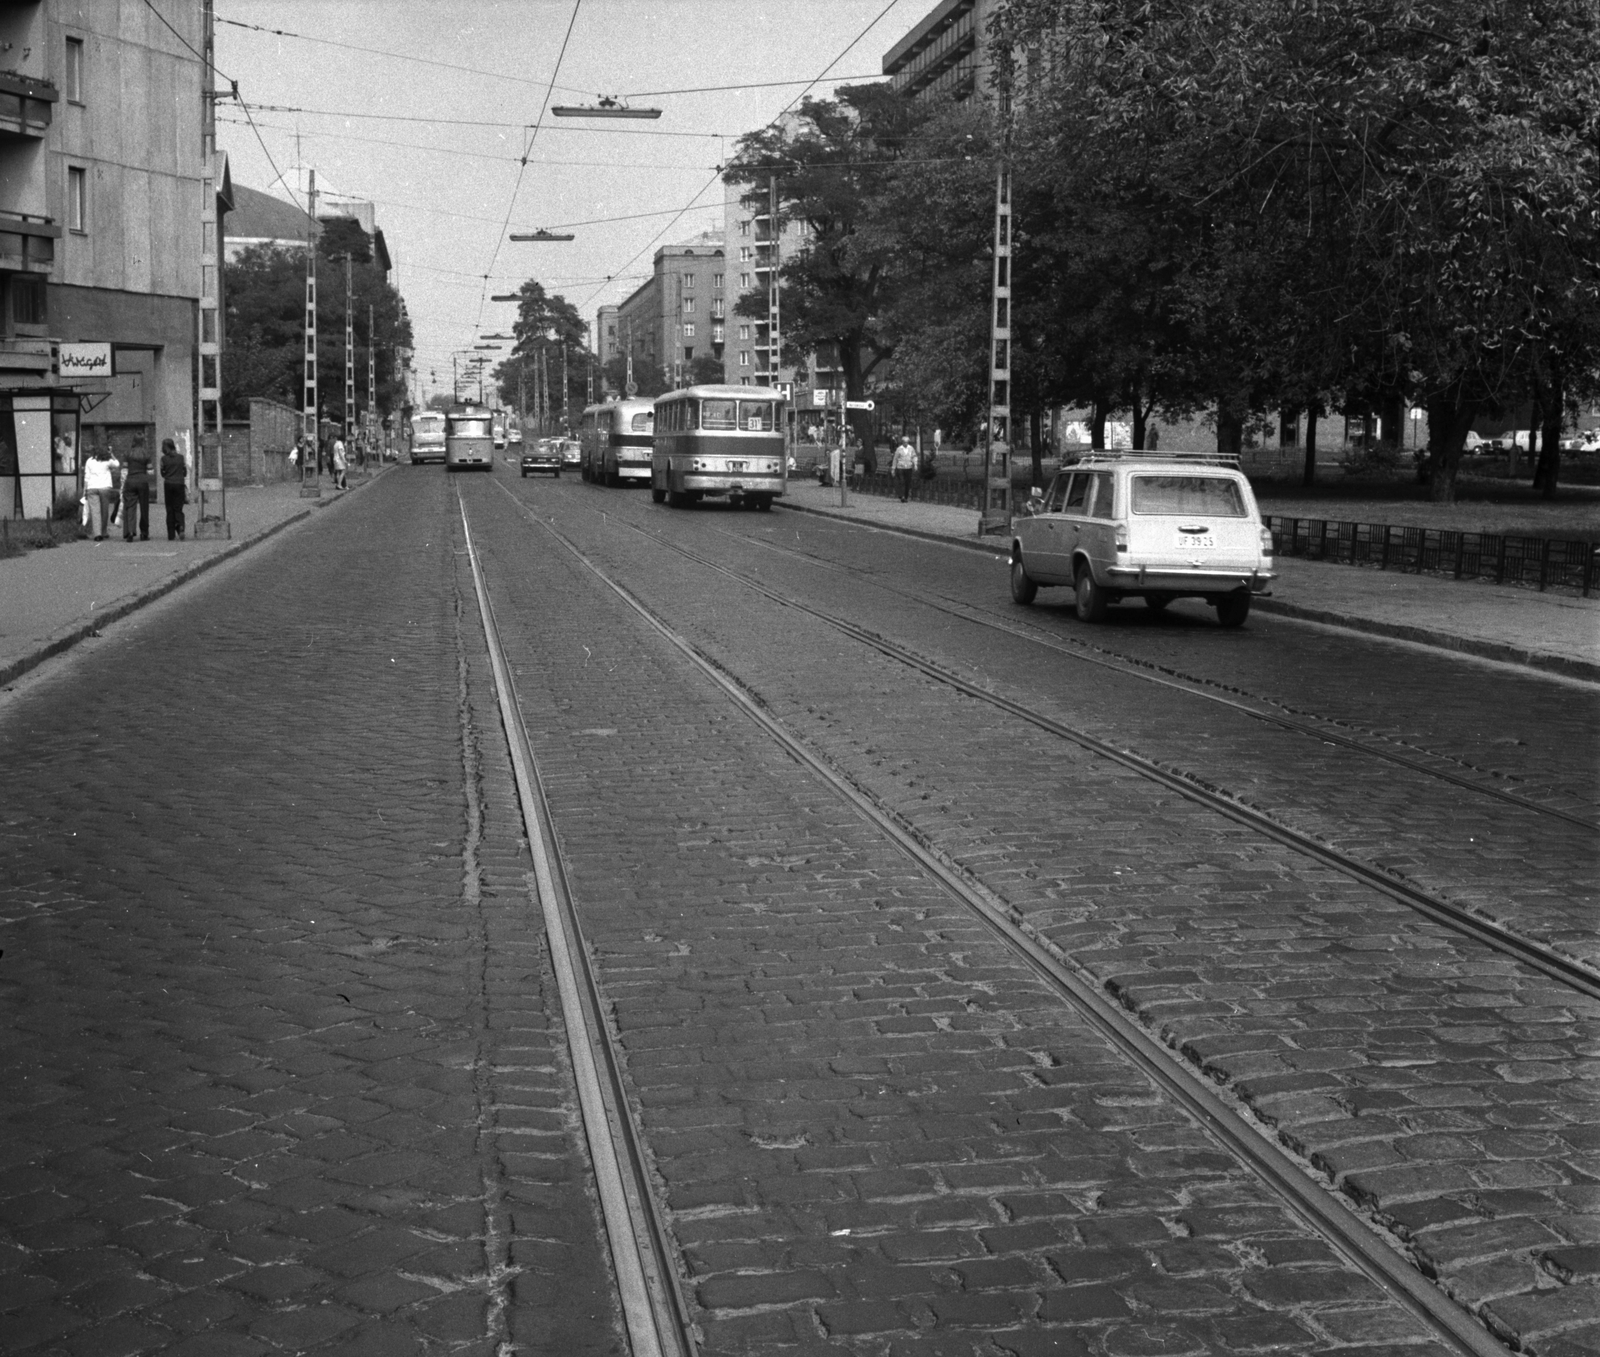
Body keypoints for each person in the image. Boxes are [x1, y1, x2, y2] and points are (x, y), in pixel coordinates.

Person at [83, 444, 119, 540]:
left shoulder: (89, 461)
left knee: (95, 512)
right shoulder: (108, 460)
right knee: (104, 511)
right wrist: (111, 454)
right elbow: (117, 464)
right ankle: (103, 532)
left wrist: (85, 491)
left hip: (92, 488)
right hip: (105, 488)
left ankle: (97, 534)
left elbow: (86, 477)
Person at [121, 436, 152, 541]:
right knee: (144, 508)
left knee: (130, 507)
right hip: (143, 482)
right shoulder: (146, 454)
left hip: (130, 481)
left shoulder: (128, 453)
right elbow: (150, 471)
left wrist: (123, 484)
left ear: (133, 441)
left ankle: (130, 531)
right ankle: (144, 533)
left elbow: (124, 470)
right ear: (143, 442)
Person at [159, 437, 187, 540]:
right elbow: (185, 472)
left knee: (169, 509)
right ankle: (181, 526)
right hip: (179, 484)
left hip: (168, 484)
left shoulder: (163, 459)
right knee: (178, 508)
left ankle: (171, 534)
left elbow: (162, 473)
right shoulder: (181, 457)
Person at [891, 436, 917, 502]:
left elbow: (914, 456)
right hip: (900, 467)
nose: (906, 443)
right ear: (902, 442)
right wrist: (893, 468)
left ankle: (905, 497)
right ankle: (902, 496)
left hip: (909, 467)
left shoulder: (911, 448)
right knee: (901, 481)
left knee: (907, 482)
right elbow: (895, 459)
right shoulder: (899, 449)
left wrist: (915, 464)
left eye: (907, 442)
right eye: (904, 442)